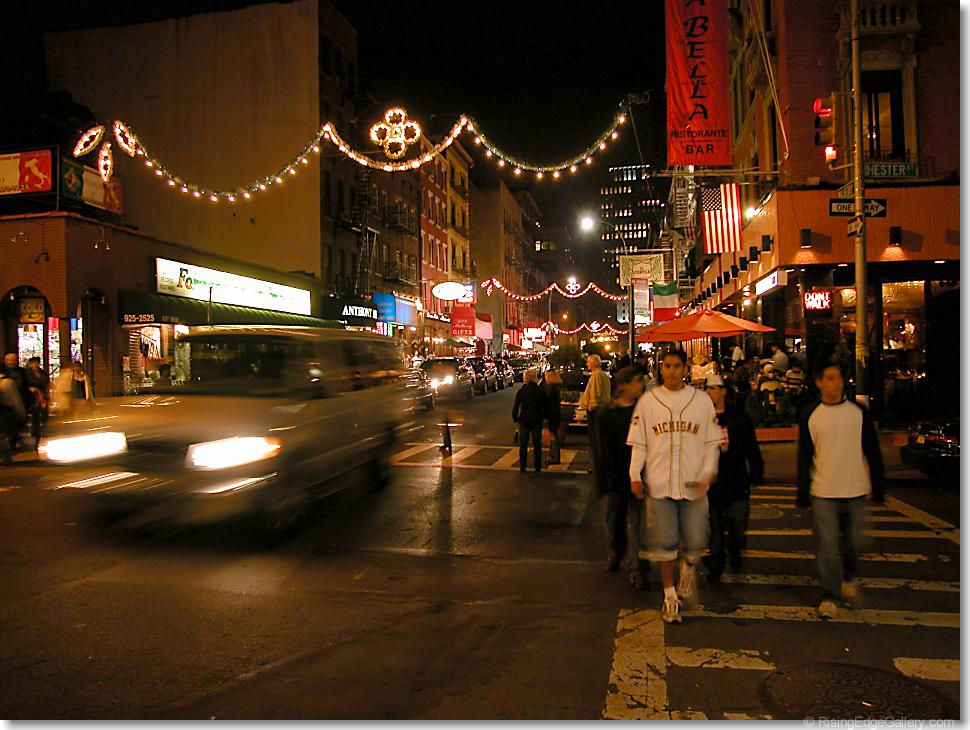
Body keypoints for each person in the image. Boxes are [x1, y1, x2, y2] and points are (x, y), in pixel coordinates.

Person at [628, 349, 721, 624]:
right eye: (667, 366)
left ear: (685, 369)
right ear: (661, 368)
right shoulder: (648, 402)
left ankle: (689, 567)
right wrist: (634, 475)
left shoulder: (701, 401)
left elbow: (712, 442)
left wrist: (709, 471)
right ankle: (669, 595)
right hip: (660, 483)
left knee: (696, 541)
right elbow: (639, 443)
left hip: (693, 483)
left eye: (676, 366)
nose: (671, 371)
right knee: (665, 544)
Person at [796, 356, 886, 619]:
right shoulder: (811, 415)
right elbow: (805, 456)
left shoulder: (858, 413)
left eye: (839, 378)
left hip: (856, 489)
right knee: (826, 547)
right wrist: (803, 492)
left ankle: (847, 576)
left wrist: (879, 485)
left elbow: (872, 450)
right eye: (831, 378)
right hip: (823, 491)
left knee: (855, 542)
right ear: (819, 383)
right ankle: (830, 595)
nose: (837, 383)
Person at [701, 373, 764, 582]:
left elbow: (751, 446)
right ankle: (716, 563)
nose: (711, 393)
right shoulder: (702, 419)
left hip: (736, 480)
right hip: (712, 483)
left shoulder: (738, 417)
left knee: (737, 524)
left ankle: (735, 549)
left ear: (724, 391)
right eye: (708, 389)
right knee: (714, 527)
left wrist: (756, 471)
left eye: (714, 388)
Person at [594, 366, 648, 588]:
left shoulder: (644, 410)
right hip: (615, 475)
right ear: (623, 385)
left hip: (638, 475)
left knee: (637, 524)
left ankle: (637, 568)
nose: (642, 385)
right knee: (615, 521)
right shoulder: (606, 413)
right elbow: (600, 448)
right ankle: (615, 551)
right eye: (637, 381)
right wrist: (602, 478)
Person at [512, 369, 547, 473]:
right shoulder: (540, 391)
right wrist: (544, 416)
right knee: (537, 443)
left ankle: (523, 465)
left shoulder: (522, 391)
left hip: (524, 419)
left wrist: (515, 418)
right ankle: (537, 465)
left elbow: (516, 406)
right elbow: (545, 406)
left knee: (523, 443)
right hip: (537, 419)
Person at [0, 365, 26, 465]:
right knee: (4, 436)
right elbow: (15, 400)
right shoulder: (7, 382)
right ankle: (6, 458)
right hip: (5, 412)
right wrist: (21, 413)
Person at [24, 357, 49, 447]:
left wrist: (46, 393)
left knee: (43, 414)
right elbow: (25, 384)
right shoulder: (27, 373)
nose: (35, 364)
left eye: (36, 362)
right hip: (32, 396)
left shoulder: (43, 373)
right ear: (30, 364)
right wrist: (30, 389)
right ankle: (36, 433)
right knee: (36, 414)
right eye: (33, 363)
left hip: (42, 395)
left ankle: (41, 431)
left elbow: (46, 384)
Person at [542, 369, 563, 465]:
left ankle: (555, 457)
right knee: (553, 435)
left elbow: (547, 401)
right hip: (556, 412)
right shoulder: (557, 386)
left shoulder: (550, 388)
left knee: (553, 436)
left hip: (551, 413)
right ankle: (553, 456)